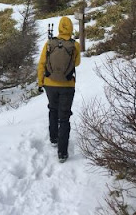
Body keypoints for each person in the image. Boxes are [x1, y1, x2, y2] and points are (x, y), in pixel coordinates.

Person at [37, 16, 81, 162]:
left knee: (53, 109)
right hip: (67, 85)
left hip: (50, 83)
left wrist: (40, 82)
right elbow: (77, 63)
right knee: (64, 117)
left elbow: (42, 63)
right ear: (70, 28)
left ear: (59, 27)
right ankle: (62, 153)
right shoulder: (75, 45)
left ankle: (54, 138)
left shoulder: (49, 43)